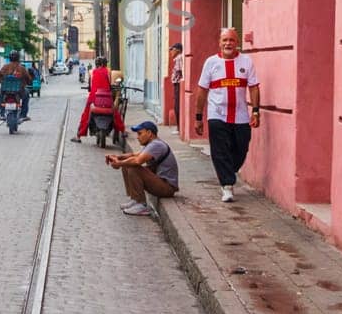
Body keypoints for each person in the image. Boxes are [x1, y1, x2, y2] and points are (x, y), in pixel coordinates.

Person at [193, 28, 260, 202]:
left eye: (231, 40)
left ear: (236, 42)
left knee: (242, 148)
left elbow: (253, 87)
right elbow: (202, 90)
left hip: (241, 116)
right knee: (220, 150)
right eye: (225, 40)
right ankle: (227, 186)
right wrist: (198, 117)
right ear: (219, 43)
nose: (228, 43)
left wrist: (256, 111)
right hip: (217, 115)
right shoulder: (211, 62)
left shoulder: (247, 61)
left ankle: (228, 172)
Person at [106, 121, 179, 215]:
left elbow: (137, 161)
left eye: (140, 134)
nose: (137, 137)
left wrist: (119, 163)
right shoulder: (151, 144)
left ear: (149, 133)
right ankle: (135, 199)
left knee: (133, 167)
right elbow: (134, 155)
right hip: (161, 183)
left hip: (167, 188)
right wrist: (117, 157)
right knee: (127, 165)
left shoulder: (156, 145)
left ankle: (141, 205)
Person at [71, 56, 124, 142]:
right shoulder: (108, 71)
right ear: (104, 64)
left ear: (97, 64)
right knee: (115, 113)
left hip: (94, 97)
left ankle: (79, 136)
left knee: (86, 115)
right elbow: (111, 84)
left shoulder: (92, 72)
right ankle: (122, 130)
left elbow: (91, 86)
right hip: (107, 97)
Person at [0, 51, 31, 121]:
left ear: (10, 58)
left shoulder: (5, 67)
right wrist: (29, 82)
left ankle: (2, 114)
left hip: (5, 90)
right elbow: (28, 78)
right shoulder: (22, 68)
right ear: (18, 58)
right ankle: (23, 115)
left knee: (1, 97)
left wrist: (0, 81)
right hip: (19, 91)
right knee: (27, 94)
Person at [168, 43, 184, 127]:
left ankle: (179, 127)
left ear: (177, 50)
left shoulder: (179, 58)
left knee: (177, 106)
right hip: (177, 84)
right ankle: (178, 127)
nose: (171, 52)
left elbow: (180, 70)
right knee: (176, 106)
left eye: (172, 50)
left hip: (178, 84)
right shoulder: (178, 58)